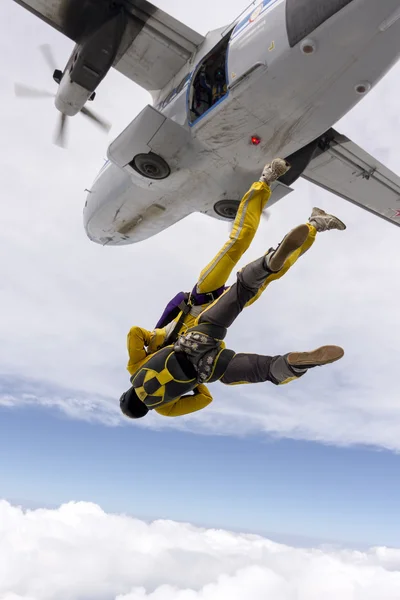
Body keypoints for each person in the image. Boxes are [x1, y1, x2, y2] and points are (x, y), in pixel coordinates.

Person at [120, 223, 344, 420]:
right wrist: (158, 338)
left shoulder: (165, 409)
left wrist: (196, 379)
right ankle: (269, 262)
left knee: (263, 370)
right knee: (242, 290)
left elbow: (204, 400)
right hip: (192, 339)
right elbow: (134, 332)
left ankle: (295, 364)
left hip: (210, 368)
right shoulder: (134, 369)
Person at [151, 159, 345, 352]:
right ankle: (315, 224)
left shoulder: (154, 345)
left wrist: (161, 331)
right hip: (225, 309)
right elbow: (217, 351)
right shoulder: (186, 367)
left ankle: (266, 179)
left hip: (201, 296)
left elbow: (167, 310)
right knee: (268, 275)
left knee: (239, 241)